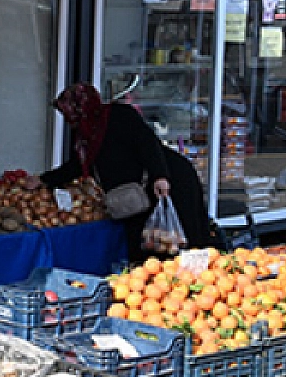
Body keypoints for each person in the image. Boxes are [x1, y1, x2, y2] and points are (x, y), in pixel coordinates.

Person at [38, 82, 212, 261]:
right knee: (148, 245)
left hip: (171, 181)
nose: (66, 118)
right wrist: (44, 180)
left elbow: (148, 144)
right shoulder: (86, 136)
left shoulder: (119, 116)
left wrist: (160, 176)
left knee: (181, 238)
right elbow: (77, 166)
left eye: (67, 111)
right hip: (136, 195)